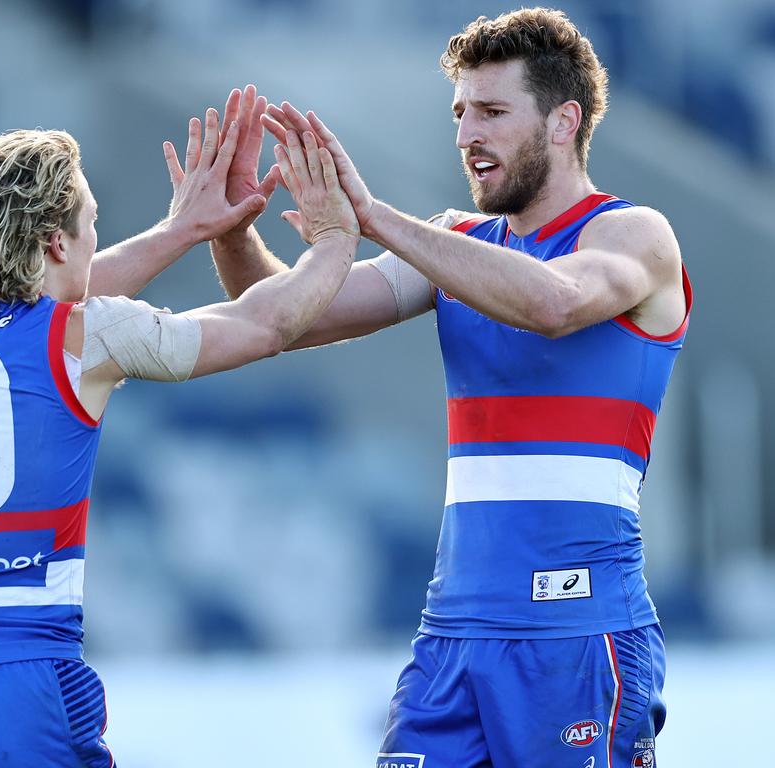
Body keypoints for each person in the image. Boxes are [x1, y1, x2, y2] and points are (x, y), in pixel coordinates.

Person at [212, 9, 689, 768]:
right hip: (452, 639)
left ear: (565, 121)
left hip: (576, 636)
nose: (468, 133)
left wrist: (372, 218)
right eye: (460, 112)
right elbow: (286, 321)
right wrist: (232, 232)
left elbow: (553, 304)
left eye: (493, 112)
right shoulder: (458, 245)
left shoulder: (634, 235)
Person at [0, 105, 359, 766]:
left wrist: (180, 230)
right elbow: (264, 324)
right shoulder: (86, 339)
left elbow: (39, 307)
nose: (95, 240)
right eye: (92, 224)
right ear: (56, 242)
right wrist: (337, 240)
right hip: (17, 683)